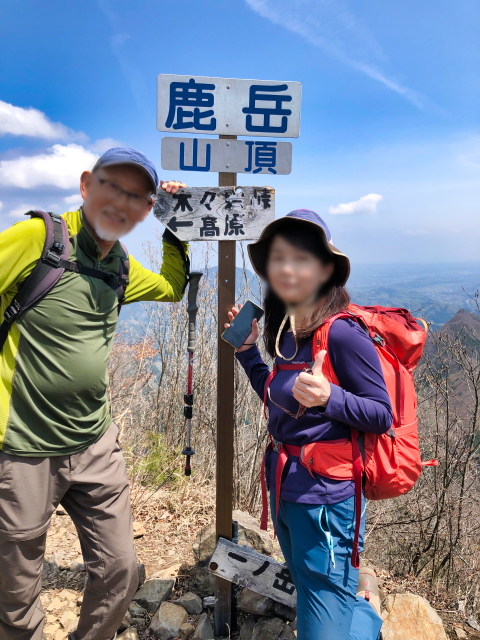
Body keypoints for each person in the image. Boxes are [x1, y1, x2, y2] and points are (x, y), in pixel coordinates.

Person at [0, 147, 188, 640]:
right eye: (111, 187)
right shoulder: (37, 239)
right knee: (15, 589)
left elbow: (171, 288)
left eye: (136, 197)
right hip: (23, 447)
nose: (120, 202)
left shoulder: (120, 266)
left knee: (120, 568)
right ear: (86, 185)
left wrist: (174, 228)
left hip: (94, 443)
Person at [226, 209, 392, 640]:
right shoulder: (288, 330)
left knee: (320, 619)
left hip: (326, 504)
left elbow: (381, 414)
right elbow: (279, 400)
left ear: (325, 269)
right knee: (311, 591)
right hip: (286, 489)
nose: (287, 268)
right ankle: (363, 612)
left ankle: (362, 614)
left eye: (301, 259)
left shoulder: (342, 334)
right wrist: (247, 353)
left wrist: (330, 396)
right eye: (279, 258)